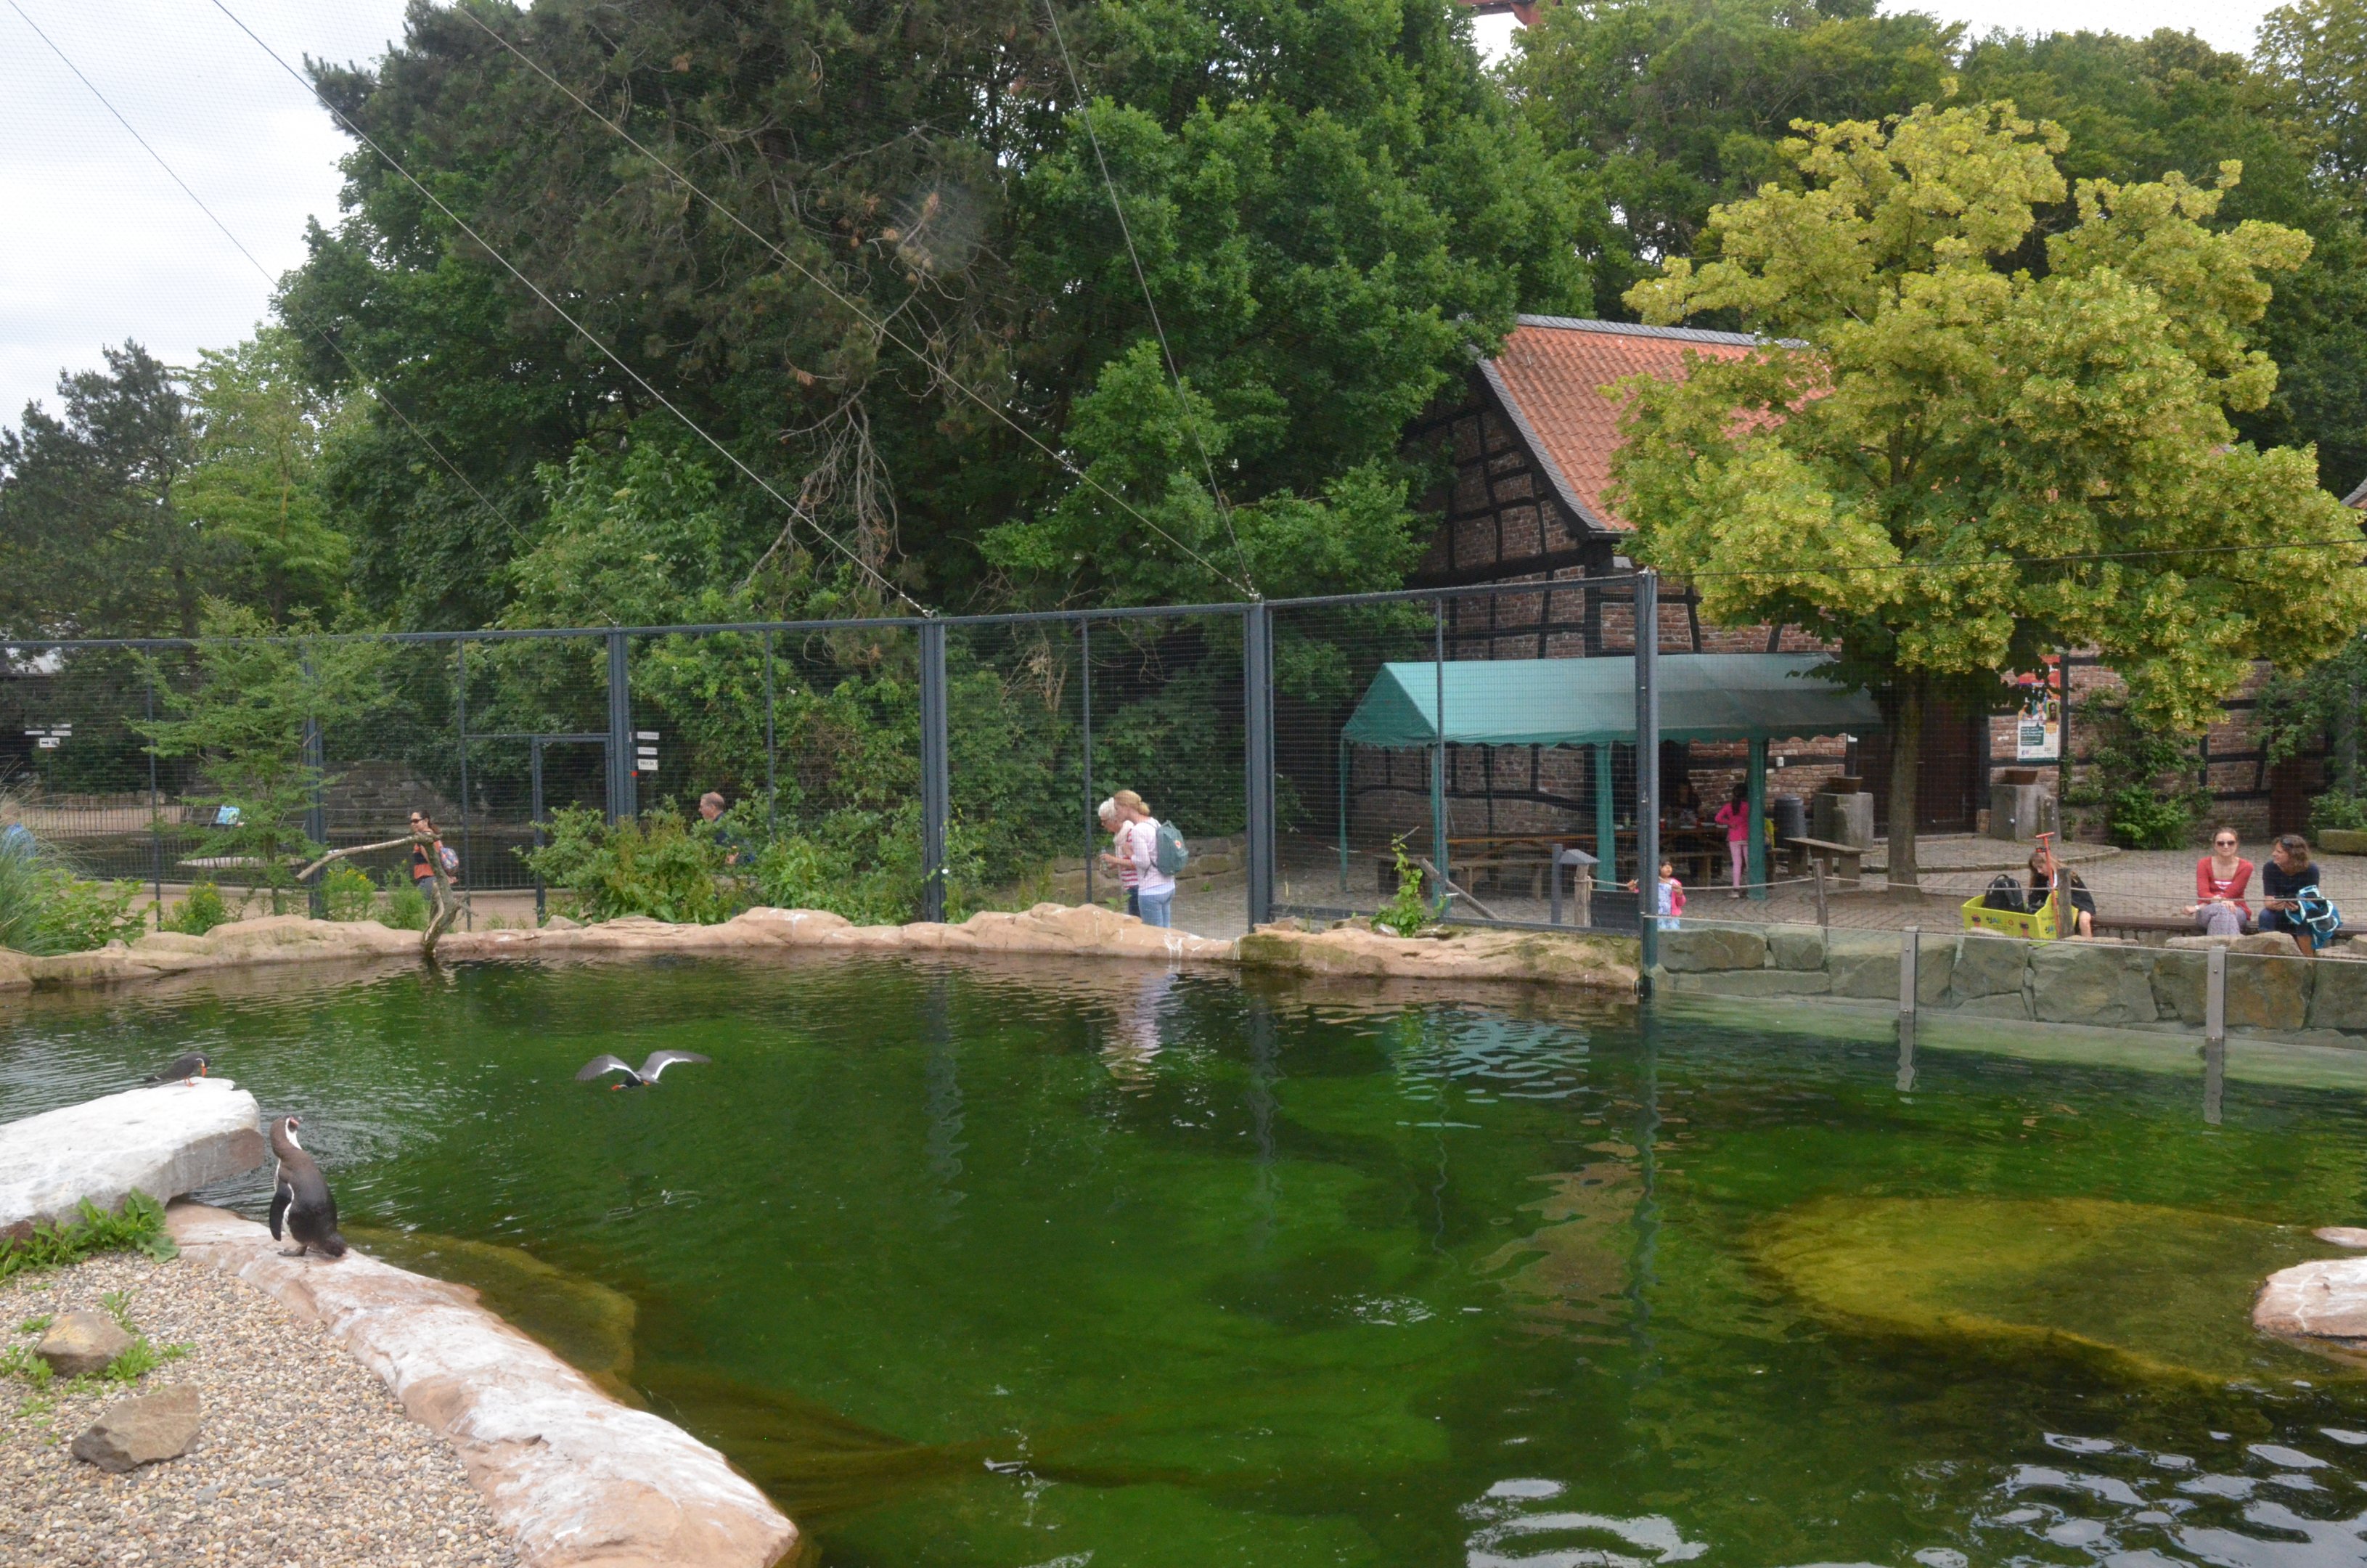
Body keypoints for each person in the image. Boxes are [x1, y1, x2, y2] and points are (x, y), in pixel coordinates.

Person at [1113, 788, 1176, 928]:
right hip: (1168, 885)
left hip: (1151, 890)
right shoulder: (1154, 822)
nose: (1116, 813)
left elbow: (1144, 862)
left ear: (1126, 806)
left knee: (1153, 934)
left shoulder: (1137, 830)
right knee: (1166, 931)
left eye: (1117, 809)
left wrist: (1129, 852)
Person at [2261, 833, 2331, 952]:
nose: (2274, 854)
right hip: (2279, 909)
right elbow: (2268, 900)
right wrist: (2274, 904)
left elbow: (2312, 900)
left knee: (2304, 919)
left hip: (2302, 909)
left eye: (2279, 852)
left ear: (2293, 855)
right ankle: (2267, 955)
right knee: (2265, 916)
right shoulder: (2270, 868)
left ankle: (2308, 958)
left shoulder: (2311, 870)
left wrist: (2298, 906)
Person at [2186, 828, 2252, 938]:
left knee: (2222, 914)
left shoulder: (2246, 867)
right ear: (2214, 845)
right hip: (2207, 911)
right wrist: (2219, 902)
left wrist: (2200, 906)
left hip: (2237, 909)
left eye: (2230, 843)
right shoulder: (2204, 864)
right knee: (2223, 909)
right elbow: (2203, 893)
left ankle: (2215, 946)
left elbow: (2232, 893)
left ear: (2237, 844)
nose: (2226, 846)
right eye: (2221, 843)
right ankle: (2233, 946)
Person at [2027, 844, 2096, 938]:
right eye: (2036, 869)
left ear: (2049, 863)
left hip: (2081, 905)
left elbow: (2079, 898)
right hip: (2056, 907)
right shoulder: (2041, 878)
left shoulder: (2068, 876)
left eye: (2040, 867)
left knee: (2084, 921)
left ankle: (2088, 944)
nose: (2039, 871)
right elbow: (2036, 896)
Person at [1096, 798, 1140, 917]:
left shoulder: (1131, 833)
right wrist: (1113, 865)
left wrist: (1114, 860)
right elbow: (1128, 860)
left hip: (1137, 886)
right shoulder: (1120, 836)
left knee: (1137, 921)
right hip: (1131, 887)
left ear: (1114, 819)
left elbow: (1138, 863)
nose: (1102, 824)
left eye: (1104, 821)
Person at [1712, 782, 1751, 897]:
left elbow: (1718, 818)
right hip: (1747, 836)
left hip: (1734, 837)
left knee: (1737, 863)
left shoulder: (1729, 806)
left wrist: (1729, 823)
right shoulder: (1749, 807)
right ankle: (1751, 887)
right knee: (1749, 862)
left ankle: (1736, 889)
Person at [1627, 859, 1685, 931]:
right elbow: (1641, 895)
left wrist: (1680, 894)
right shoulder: (1650, 883)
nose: (1668, 868)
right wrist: (1632, 890)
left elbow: (1681, 903)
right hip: (1655, 915)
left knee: (1673, 934)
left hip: (1672, 917)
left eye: (1670, 866)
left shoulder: (1675, 883)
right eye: (1664, 866)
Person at [408, 812, 454, 896]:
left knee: (416, 902)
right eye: (411, 821)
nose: (413, 824)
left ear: (426, 821)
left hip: (429, 879)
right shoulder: (433, 835)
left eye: (416, 821)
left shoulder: (424, 838)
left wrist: (444, 876)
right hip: (435, 879)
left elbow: (432, 860)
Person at [698, 790, 749, 865]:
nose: (700, 810)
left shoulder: (720, 828)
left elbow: (731, 855)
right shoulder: (729, 821)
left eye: (702, 807)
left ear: (712, 808)